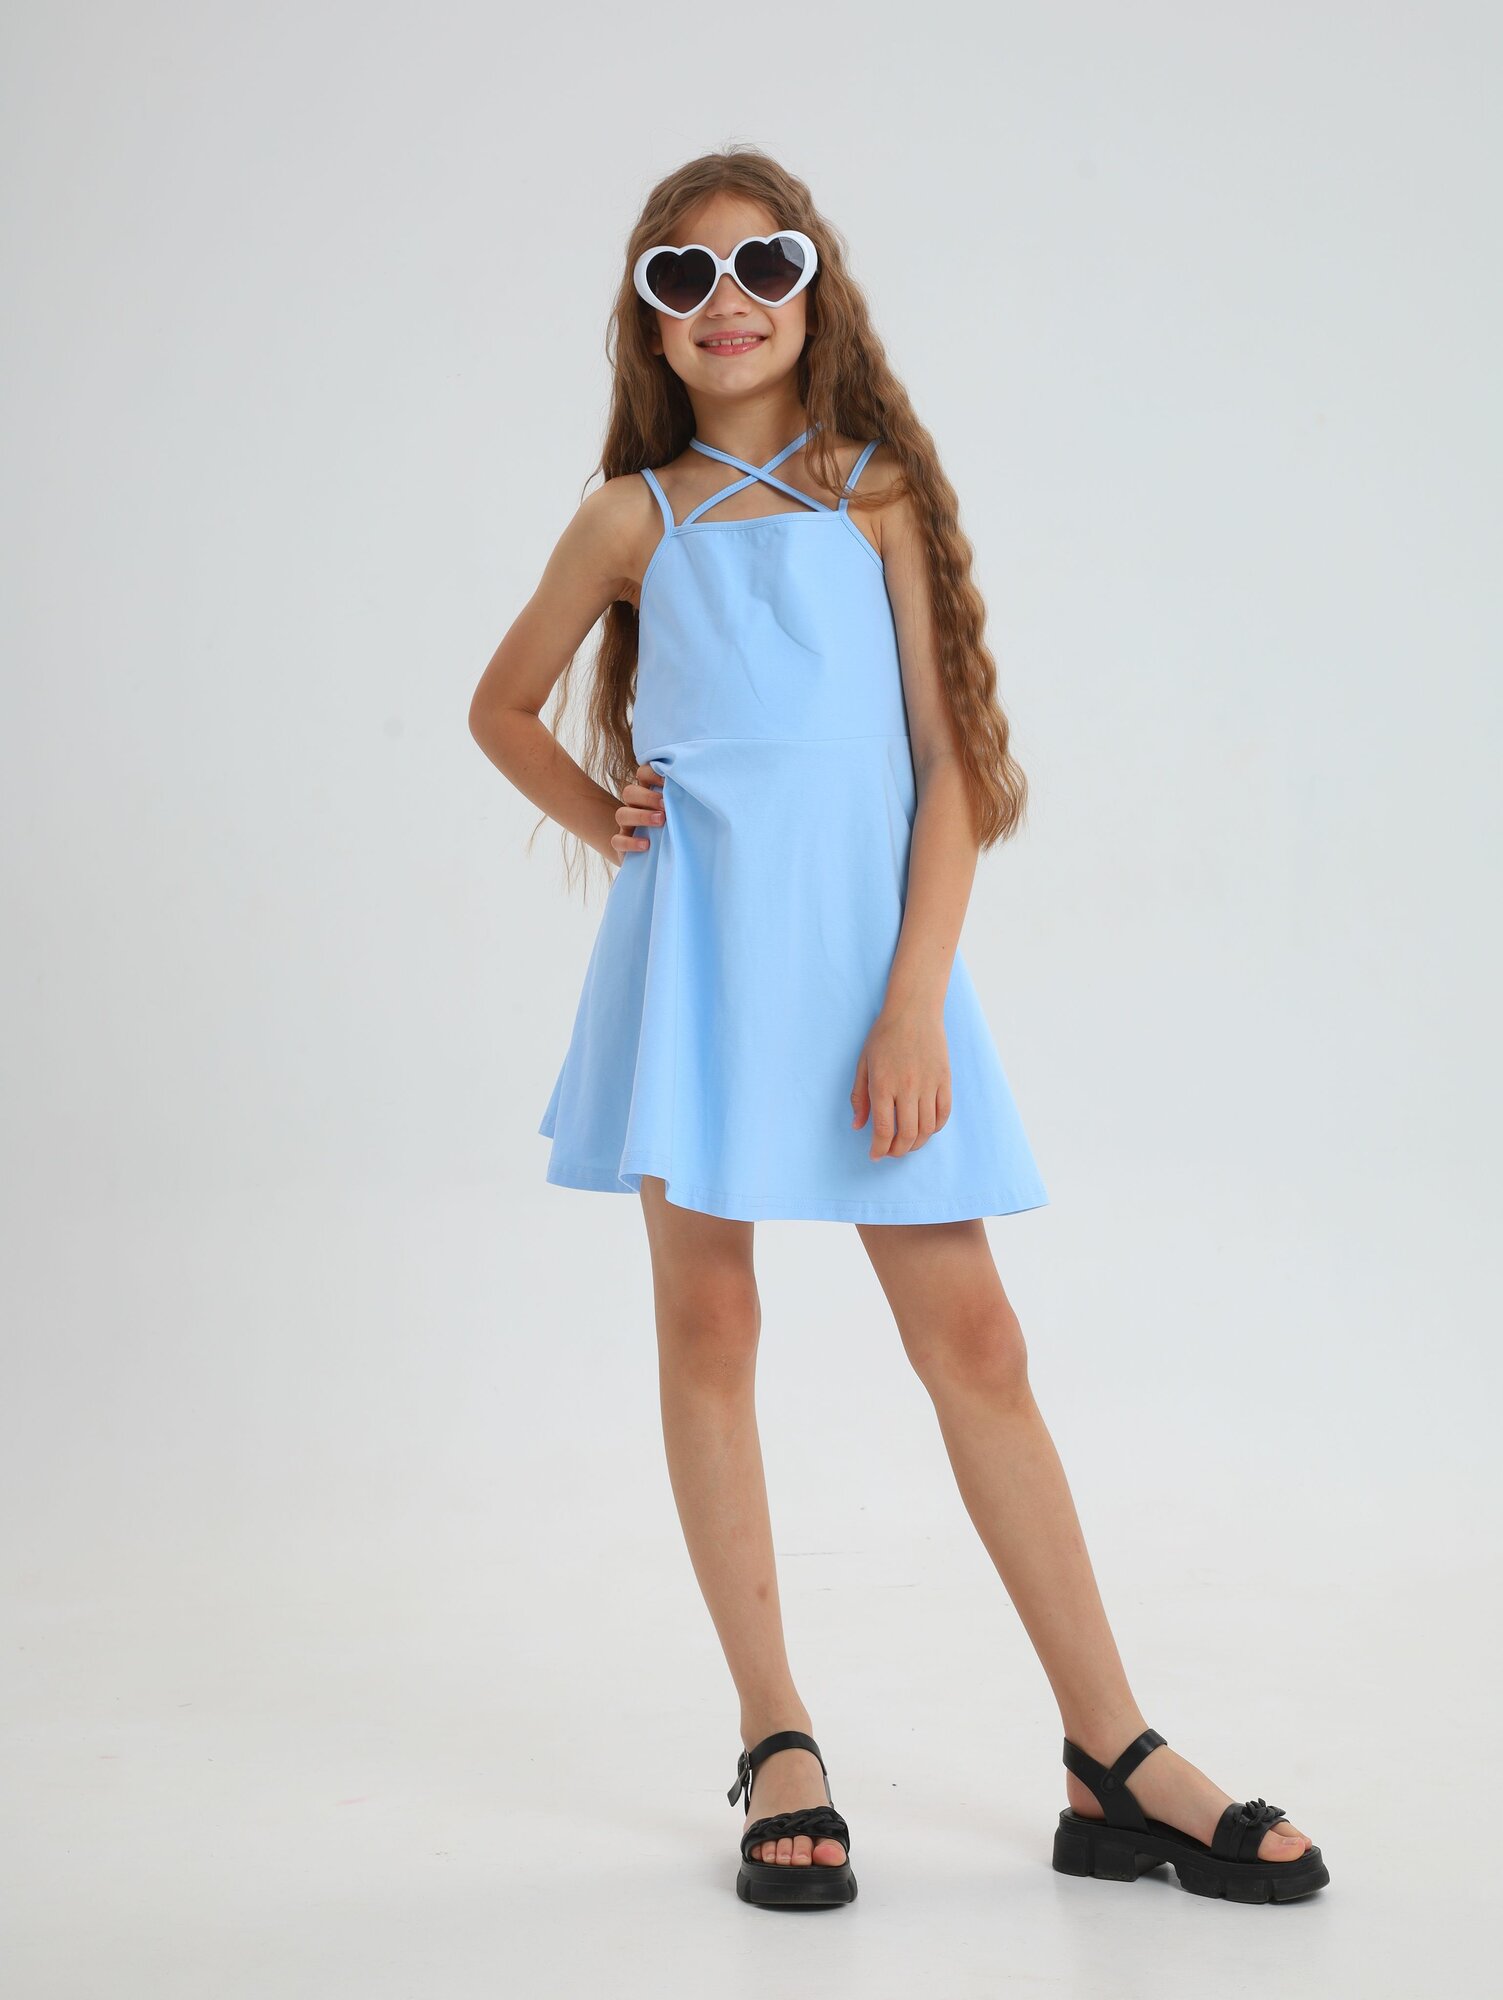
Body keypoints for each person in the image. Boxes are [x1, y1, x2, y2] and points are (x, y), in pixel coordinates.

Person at [468, 146, 1328, 1912]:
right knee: (710, 1320)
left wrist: (915, 999)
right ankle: (774, 1731)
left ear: (815, 289)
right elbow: (499, 704)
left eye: (761, 265)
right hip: (700, 970)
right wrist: (605, 810)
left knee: (979, 1341)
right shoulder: (631, 519)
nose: (726, 302)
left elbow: (948, 769)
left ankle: (1111, 1749)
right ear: (648, 321)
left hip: (873, 973)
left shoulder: (875, 495)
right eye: (682, 277)